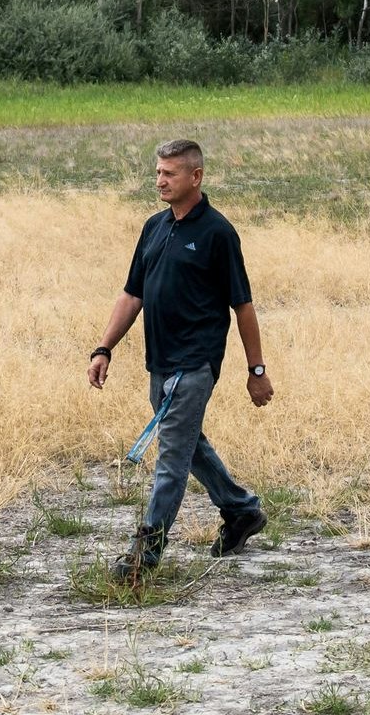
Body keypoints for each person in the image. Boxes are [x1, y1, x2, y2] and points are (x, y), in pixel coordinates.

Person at [82, 137, 273, 581]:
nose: (160, 181)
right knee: (188, 444)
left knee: (170, 456)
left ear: (196, 177)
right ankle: (241, 510)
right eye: (157, 172)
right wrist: (103, 348)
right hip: (160, 361)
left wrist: (256, 370)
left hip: (196, 363)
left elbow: (242, 306)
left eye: (169, 173)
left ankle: (143, 557)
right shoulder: (154, 227)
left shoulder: (218, 233)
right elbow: (133, 295)